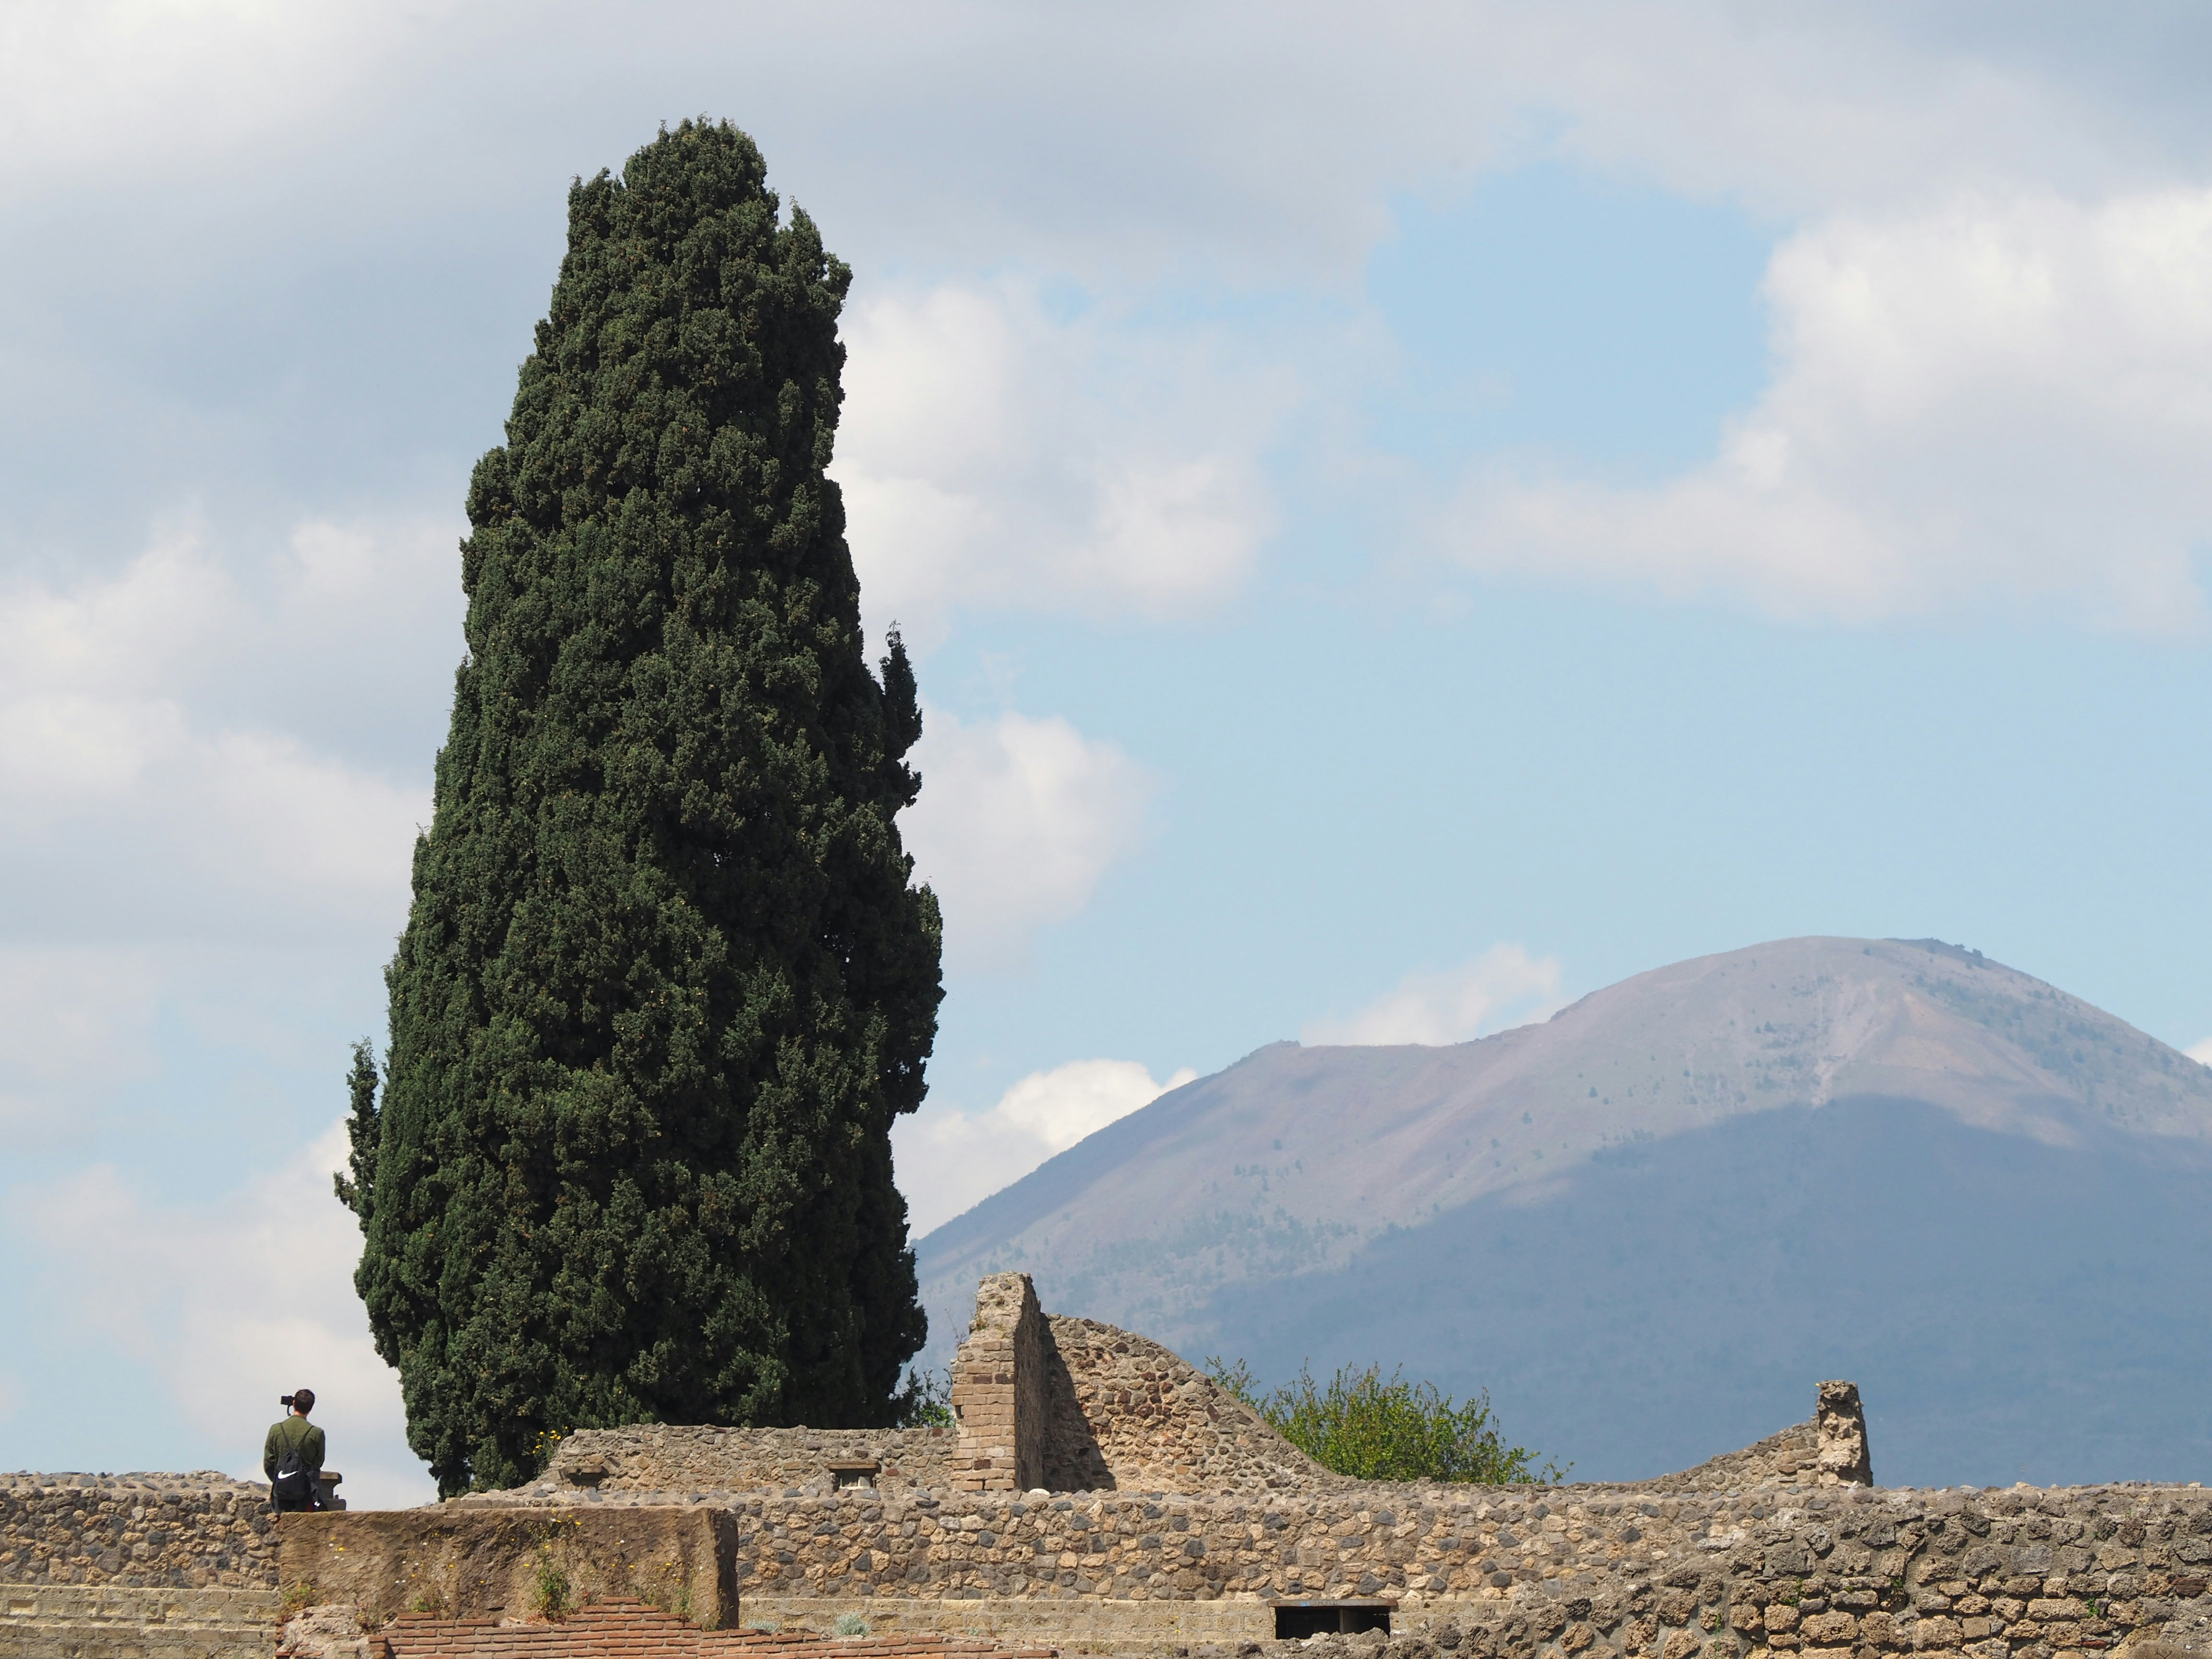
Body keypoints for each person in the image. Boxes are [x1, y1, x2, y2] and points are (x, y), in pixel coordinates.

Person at [263, 1388, 325, 1514]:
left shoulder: (276, 1429)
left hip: (281, 1496)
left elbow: (269, 1463)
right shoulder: (317, 1433)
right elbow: (318, 1463)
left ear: (294, 1403)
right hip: (306, 1496)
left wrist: (281, 1481)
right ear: (311, 1408)